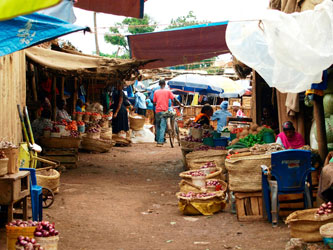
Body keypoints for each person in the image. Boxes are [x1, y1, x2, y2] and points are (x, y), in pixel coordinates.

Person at [153, 79, 183, 146]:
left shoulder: (156, 92)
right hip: (164, 111)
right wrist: (180, 104)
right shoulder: (168, 91)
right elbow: (174, 98)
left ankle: (158, 140)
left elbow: (154, 102)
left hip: (157, 111)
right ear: (165, 84)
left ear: (159, 84)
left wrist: (157, 104)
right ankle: (160, 142)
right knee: (162, 126)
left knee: (157, 126)